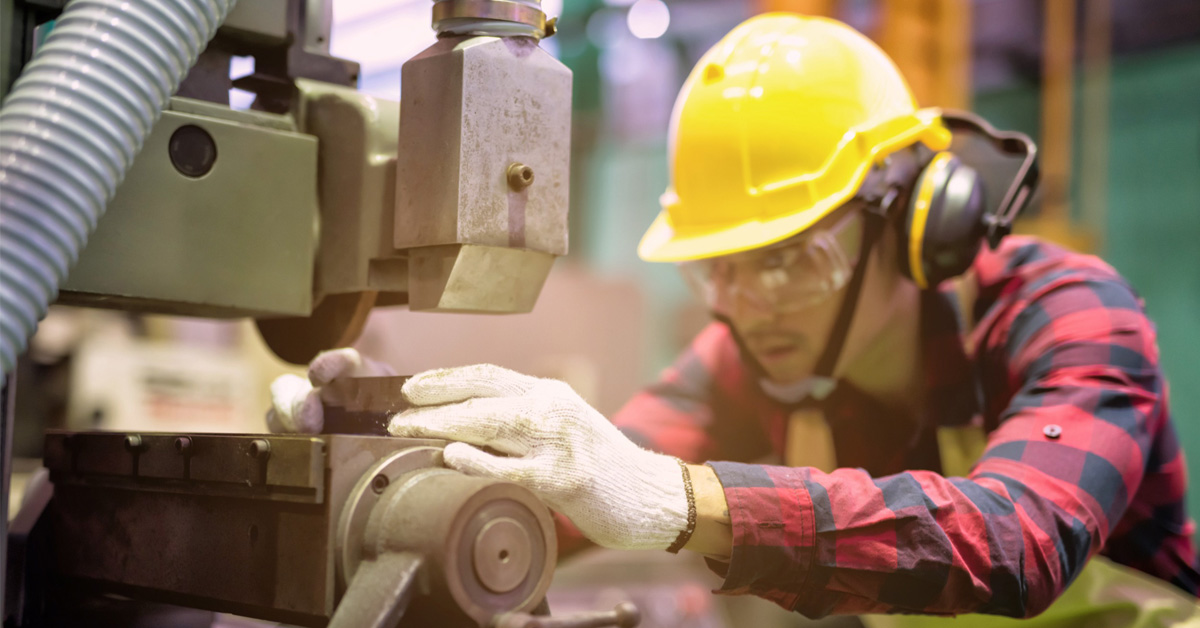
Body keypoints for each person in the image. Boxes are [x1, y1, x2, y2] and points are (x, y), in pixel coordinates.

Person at [269, 13, 1200, 624]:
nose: (750, 306)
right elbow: (576, 492)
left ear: (919, 223)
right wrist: (389, 469)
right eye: (722, 270)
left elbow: (1017, 539)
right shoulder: (749, 357)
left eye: (792, 260)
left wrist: (682, 500)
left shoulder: (1071, 314)